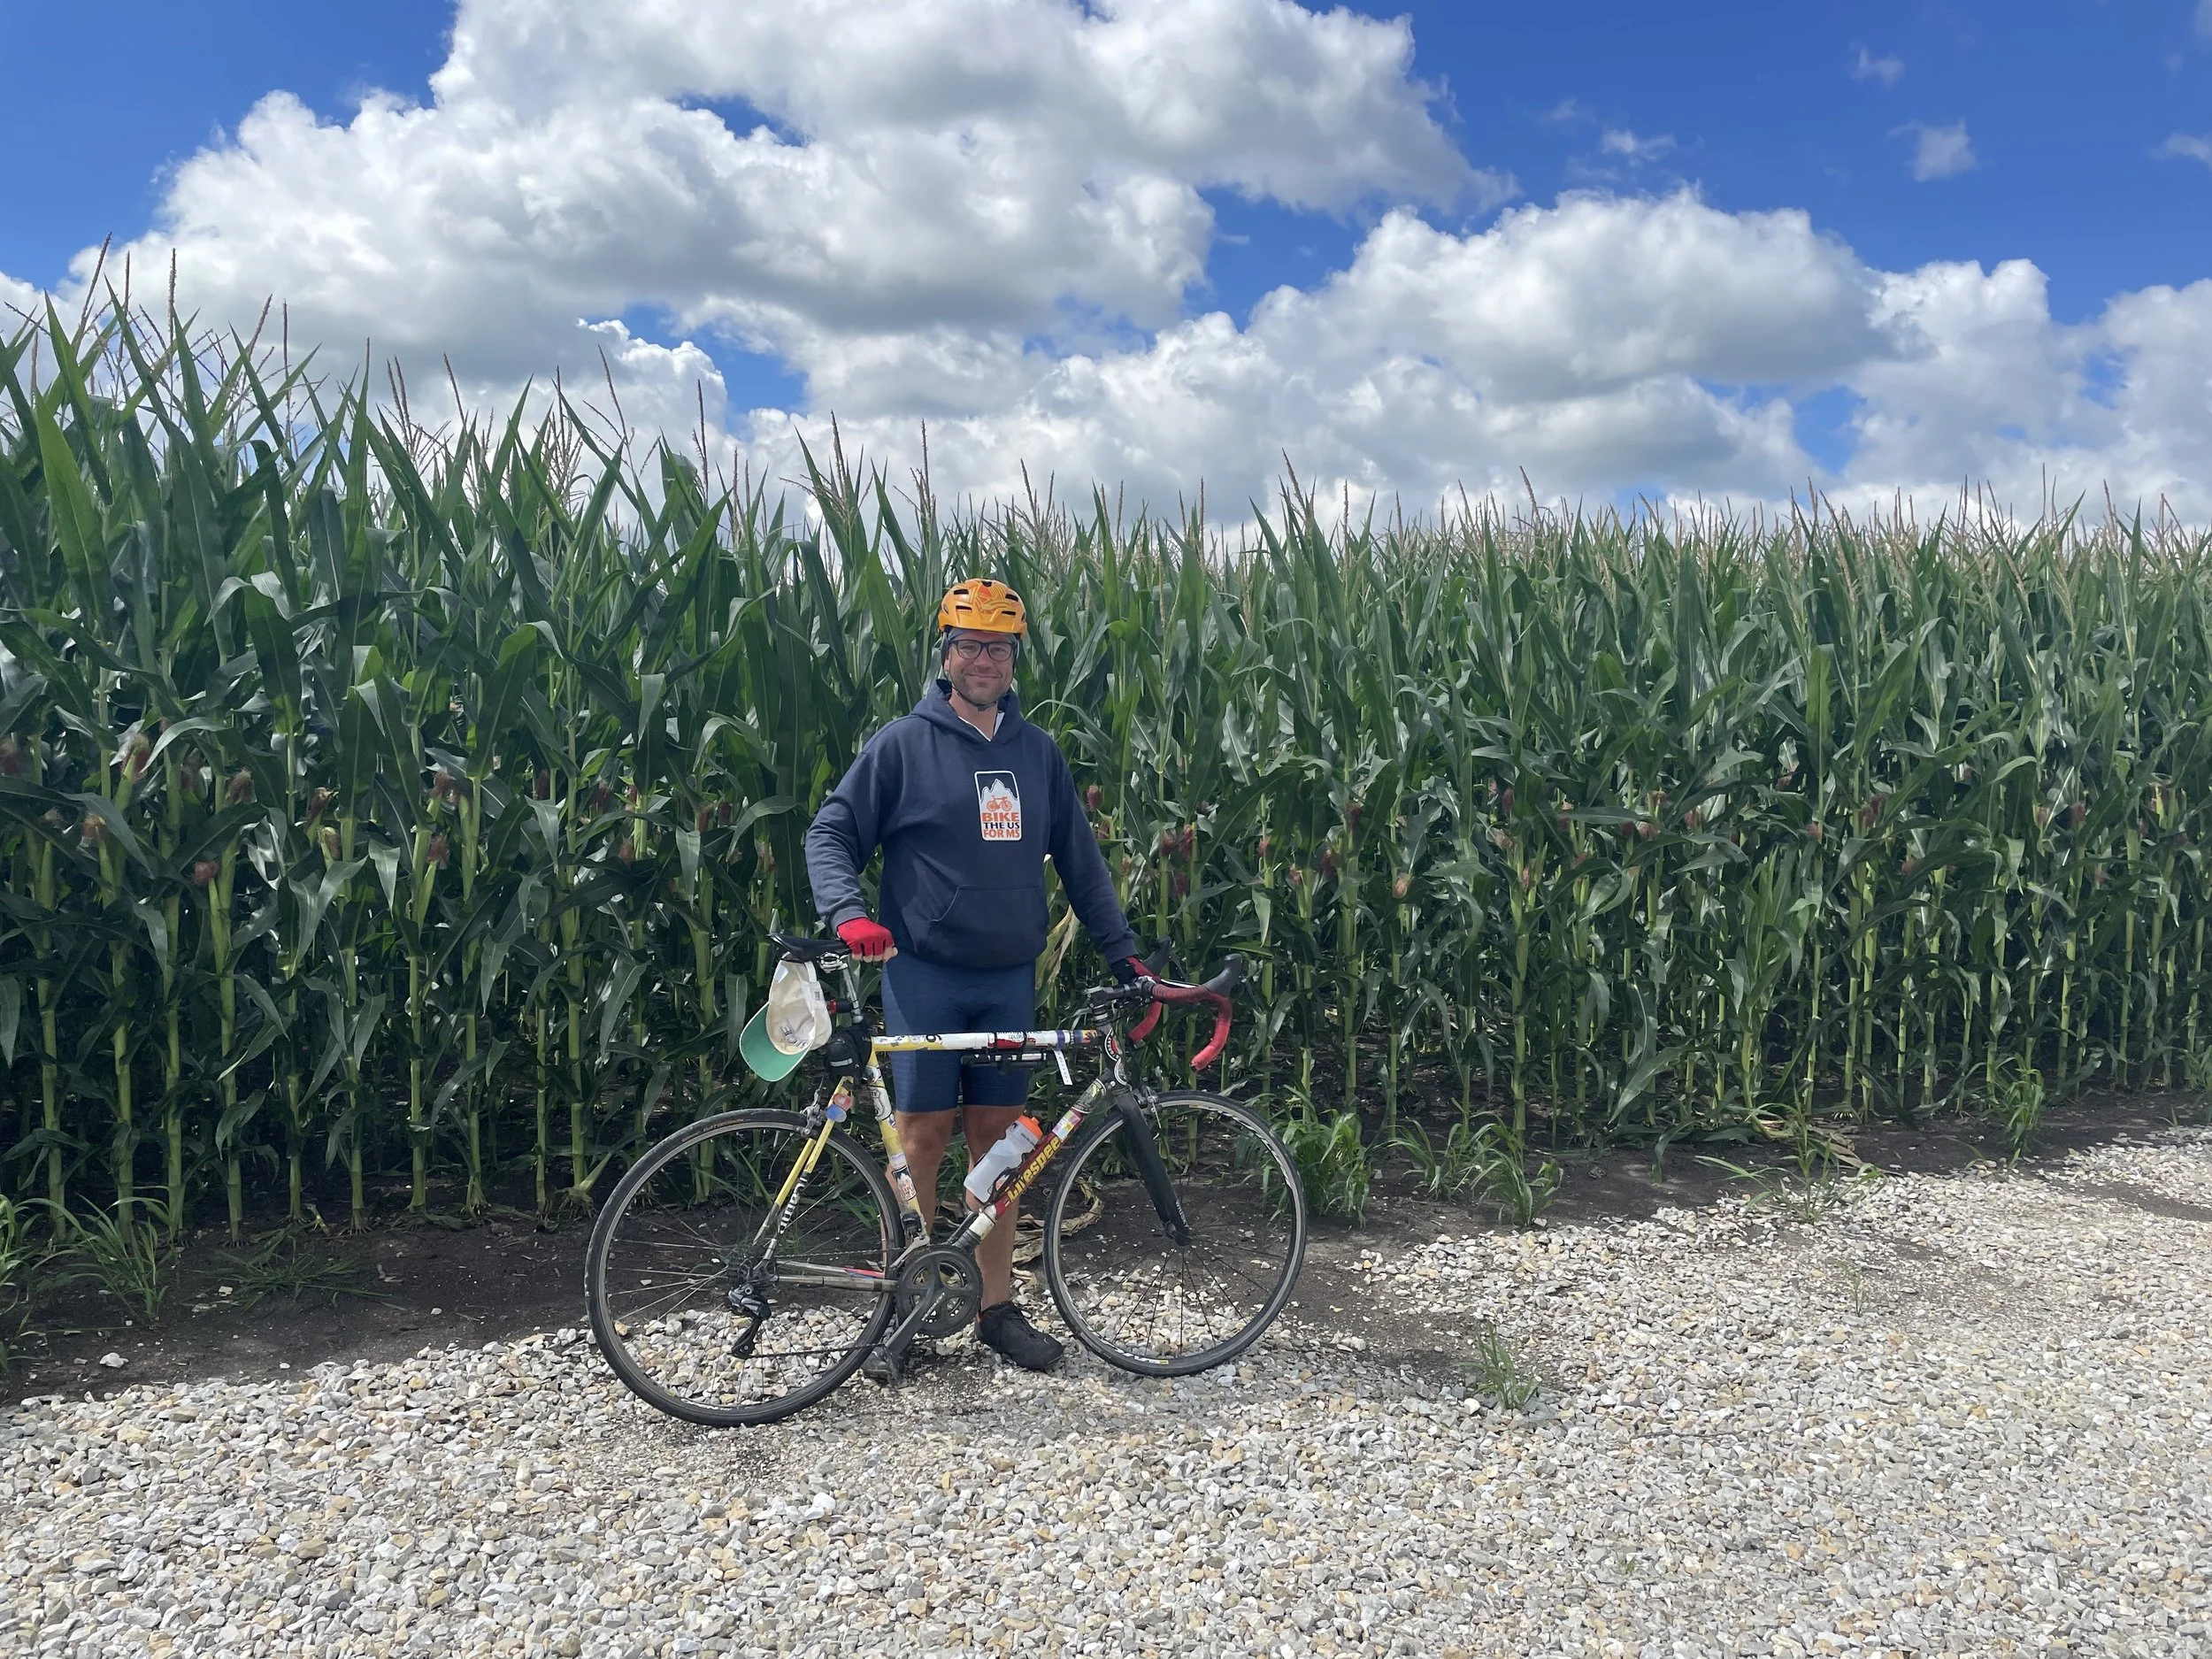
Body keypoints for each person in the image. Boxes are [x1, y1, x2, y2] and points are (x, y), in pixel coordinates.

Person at [804, 578, 1144, 1372]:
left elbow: (1083, 865)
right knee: (921, 1136)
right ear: (946, 654)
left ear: (1015, 659)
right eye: (969, 645)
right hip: (925, 974)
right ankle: (903, 1312)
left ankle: (996, 1308)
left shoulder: (1037, 753)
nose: (983, 660)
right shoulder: (904, 744)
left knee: (1000, 1141)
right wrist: (848, 915)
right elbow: (832, 831)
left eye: (998, 648)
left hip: (1005, 977)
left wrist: (1122, 952)